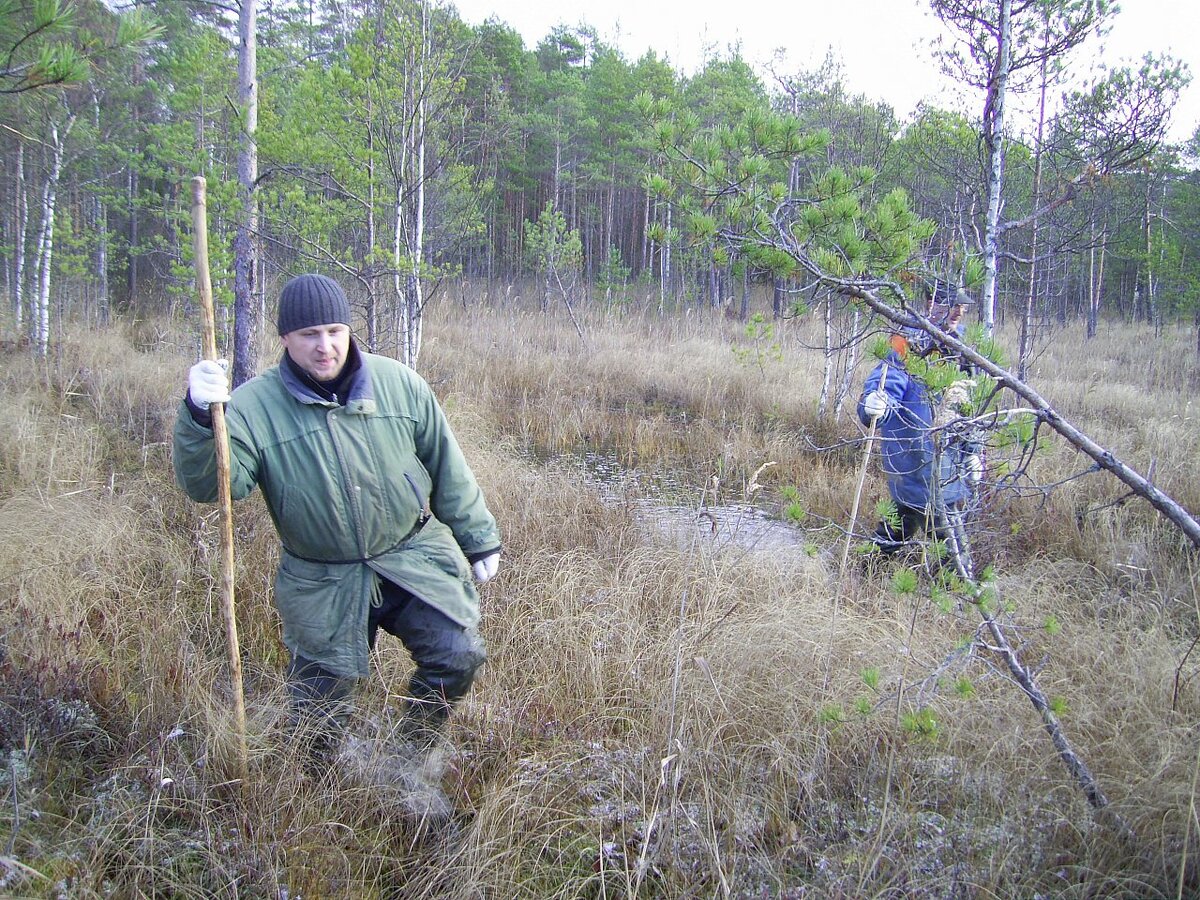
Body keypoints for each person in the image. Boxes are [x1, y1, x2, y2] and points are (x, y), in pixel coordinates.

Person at [173, 273, 501, 770]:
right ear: (285, 338)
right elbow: (214, 487)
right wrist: (201, 416)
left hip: (410, 557)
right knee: (316, 718)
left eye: (334, 331)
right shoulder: (253, 407)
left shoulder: (400, 384)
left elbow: (445, 463)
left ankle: (407, 758)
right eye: (308, 335)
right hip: (322, 578)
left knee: (457, 655)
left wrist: (477, 538)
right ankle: (319, 795)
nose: (324, 347)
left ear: (348, 329)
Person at [856, 280, 982, 566]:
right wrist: (875, 404)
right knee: (951, 547)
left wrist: (973, 452)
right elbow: (886, 383)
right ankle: (956, 590)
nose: (959, 311)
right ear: (931, 303)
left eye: (962, 305)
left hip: (947, 461)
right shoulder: (907, 344)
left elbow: (967, 406)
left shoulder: (960, 347)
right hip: (917, 461)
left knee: (902, 518)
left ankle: (868, 568)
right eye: (952, 303)